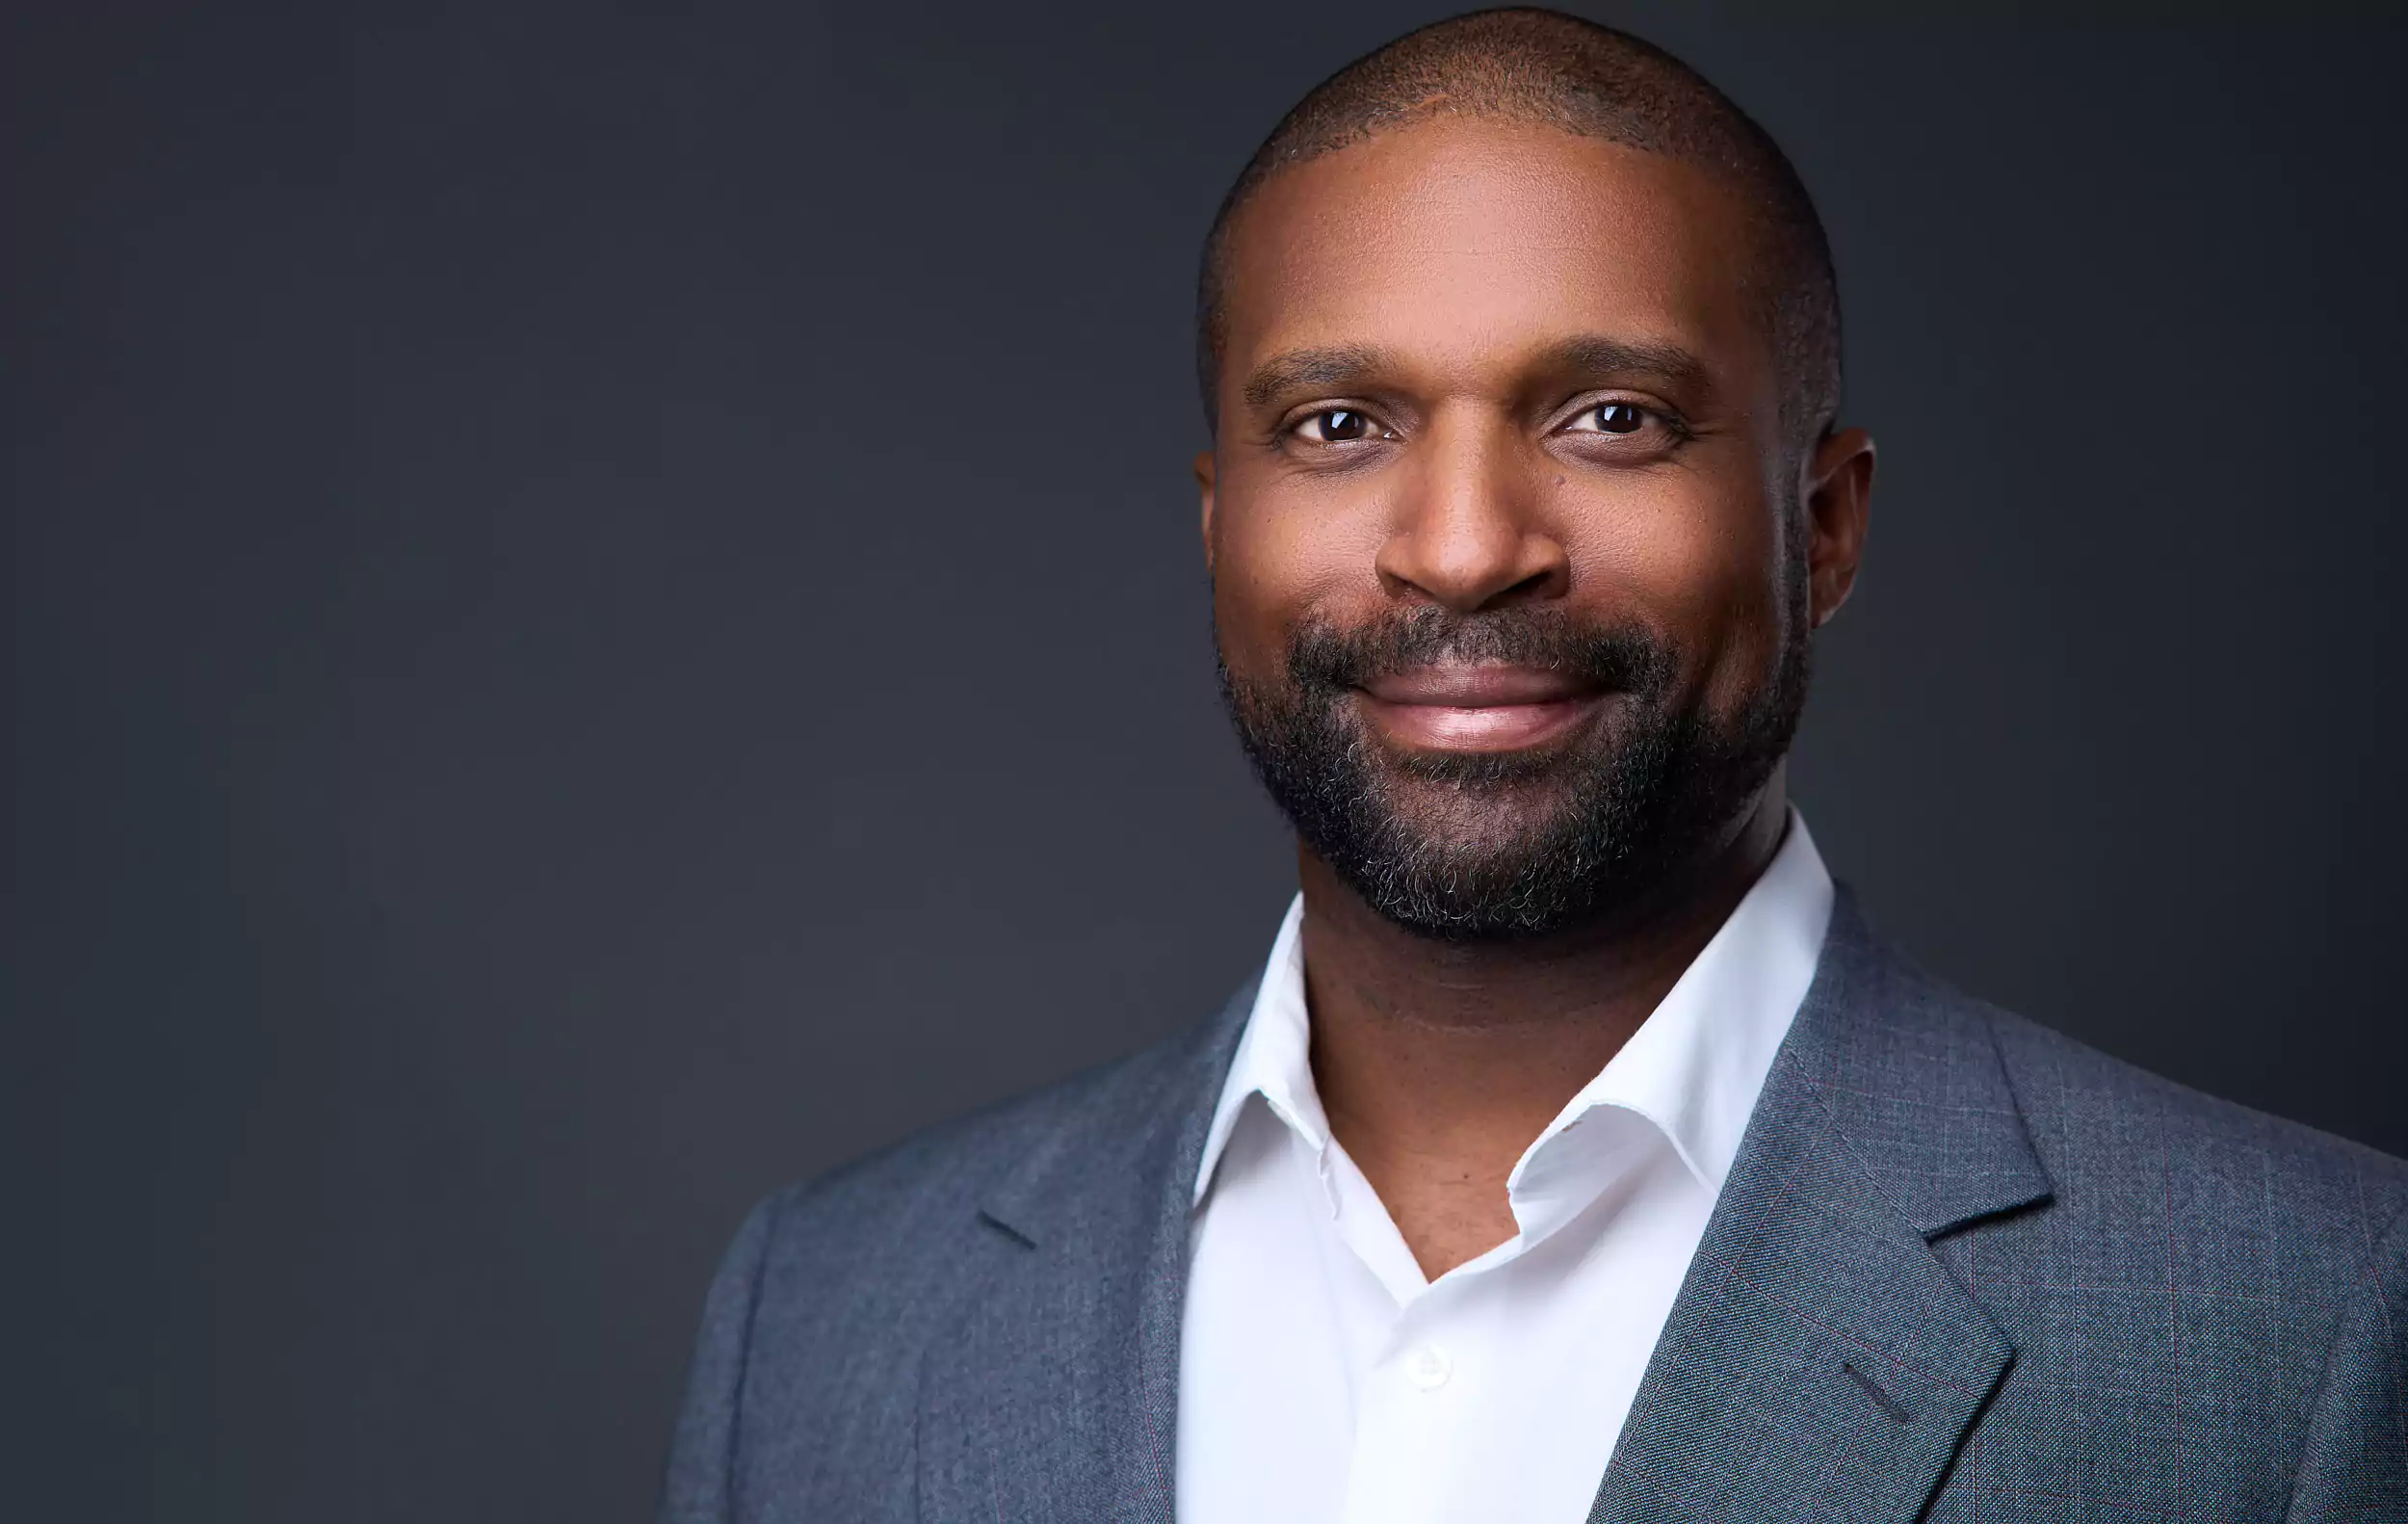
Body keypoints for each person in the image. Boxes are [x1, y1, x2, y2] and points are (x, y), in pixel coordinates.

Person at [656, 10, 2408, 1521]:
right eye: (1341, 425)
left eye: (1610, 419)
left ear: (1826, 521)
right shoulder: (826, 1315)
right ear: (1219, 529)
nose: (1468, 546)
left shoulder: (2302, 1323)